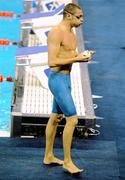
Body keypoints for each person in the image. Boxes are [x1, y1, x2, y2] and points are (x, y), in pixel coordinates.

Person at [43, 3, 95, 174]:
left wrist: (84, 55)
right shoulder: (56, 33)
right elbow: (52, 62)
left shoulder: (72, 33)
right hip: (57, 80)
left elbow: (69, 55)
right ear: (68, 16)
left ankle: (48, 156)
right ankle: (67, 161)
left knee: (56, 116)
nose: (82, 20)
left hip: (66, 79)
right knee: (72, 119)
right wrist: (77, 59)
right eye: (79, 16)